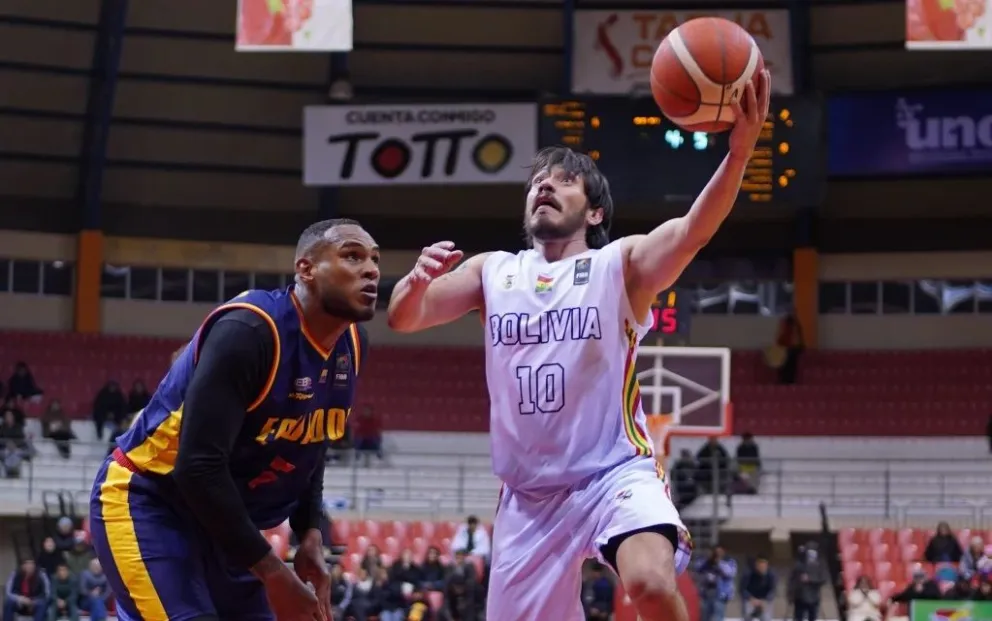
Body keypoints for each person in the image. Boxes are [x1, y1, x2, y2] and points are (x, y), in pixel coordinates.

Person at [387, 70, 772, 621]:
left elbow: (693, 231)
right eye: (538, 180)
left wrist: (738, 154)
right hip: (527, 498)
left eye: (564, 180)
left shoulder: (619, 265)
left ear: (594, 213)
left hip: (613, 472)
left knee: (651, 584)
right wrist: (416, 279)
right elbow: (405, 318)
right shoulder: (492, 272)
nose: (545, 184)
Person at [87, 219, 378, 621]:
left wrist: (309, 532)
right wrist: (274, 572)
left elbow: (310, 441)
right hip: (150, 500)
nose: (371, 269)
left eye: (375, 260)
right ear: (306, 269)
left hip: (220, 521)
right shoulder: (251, 331)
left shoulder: (352, 345)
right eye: (353, 255)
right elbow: (198, 467)